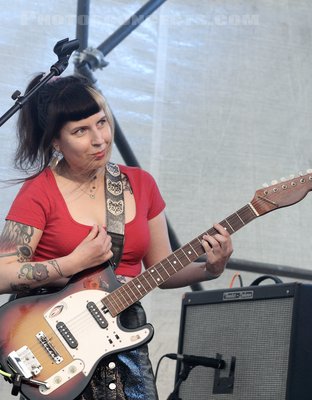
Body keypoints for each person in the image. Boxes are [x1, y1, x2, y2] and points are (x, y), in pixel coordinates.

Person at [0, 74, 233, 399]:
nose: (100, 139)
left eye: (102, 123)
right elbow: (2, 273)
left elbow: (163, 270)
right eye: (81, 130)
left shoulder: (141, 184)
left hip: (123, 336)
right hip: (57, 348)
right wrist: (71, 263)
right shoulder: (40, 191)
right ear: (56, 141)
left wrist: (210, 268)